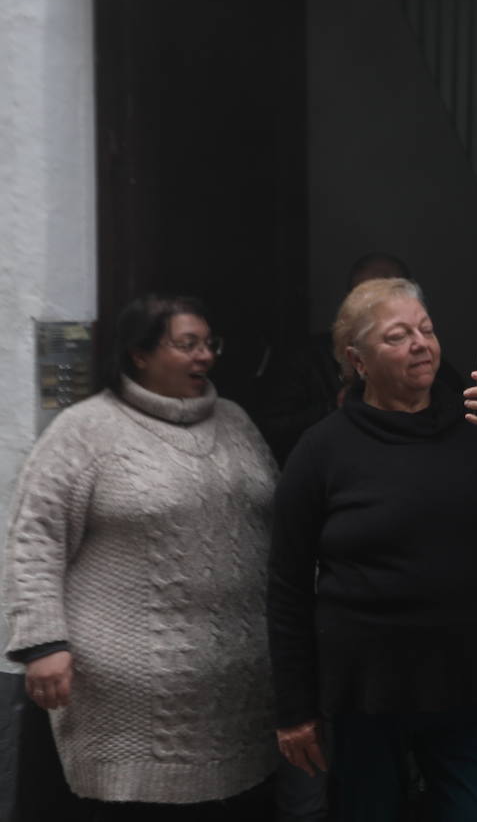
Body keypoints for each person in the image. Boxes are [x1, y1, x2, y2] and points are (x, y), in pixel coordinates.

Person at [267, 278, 477, 822]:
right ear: (357, 359)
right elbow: (286, 586)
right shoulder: (322, 451)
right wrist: (295, 710)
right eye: (397, 336)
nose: (420, 344)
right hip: (364, 694)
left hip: (467, 688)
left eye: (426, 329)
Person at [3, 294, 278, 819]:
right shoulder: (85, 430)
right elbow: (34, 538)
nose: (205, 357)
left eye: (208, 344)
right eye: (186, 344)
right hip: (125, 697)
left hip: (237, 695)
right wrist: (42, 643)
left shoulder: (237, 422)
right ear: (139, 354)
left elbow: (278, 521)